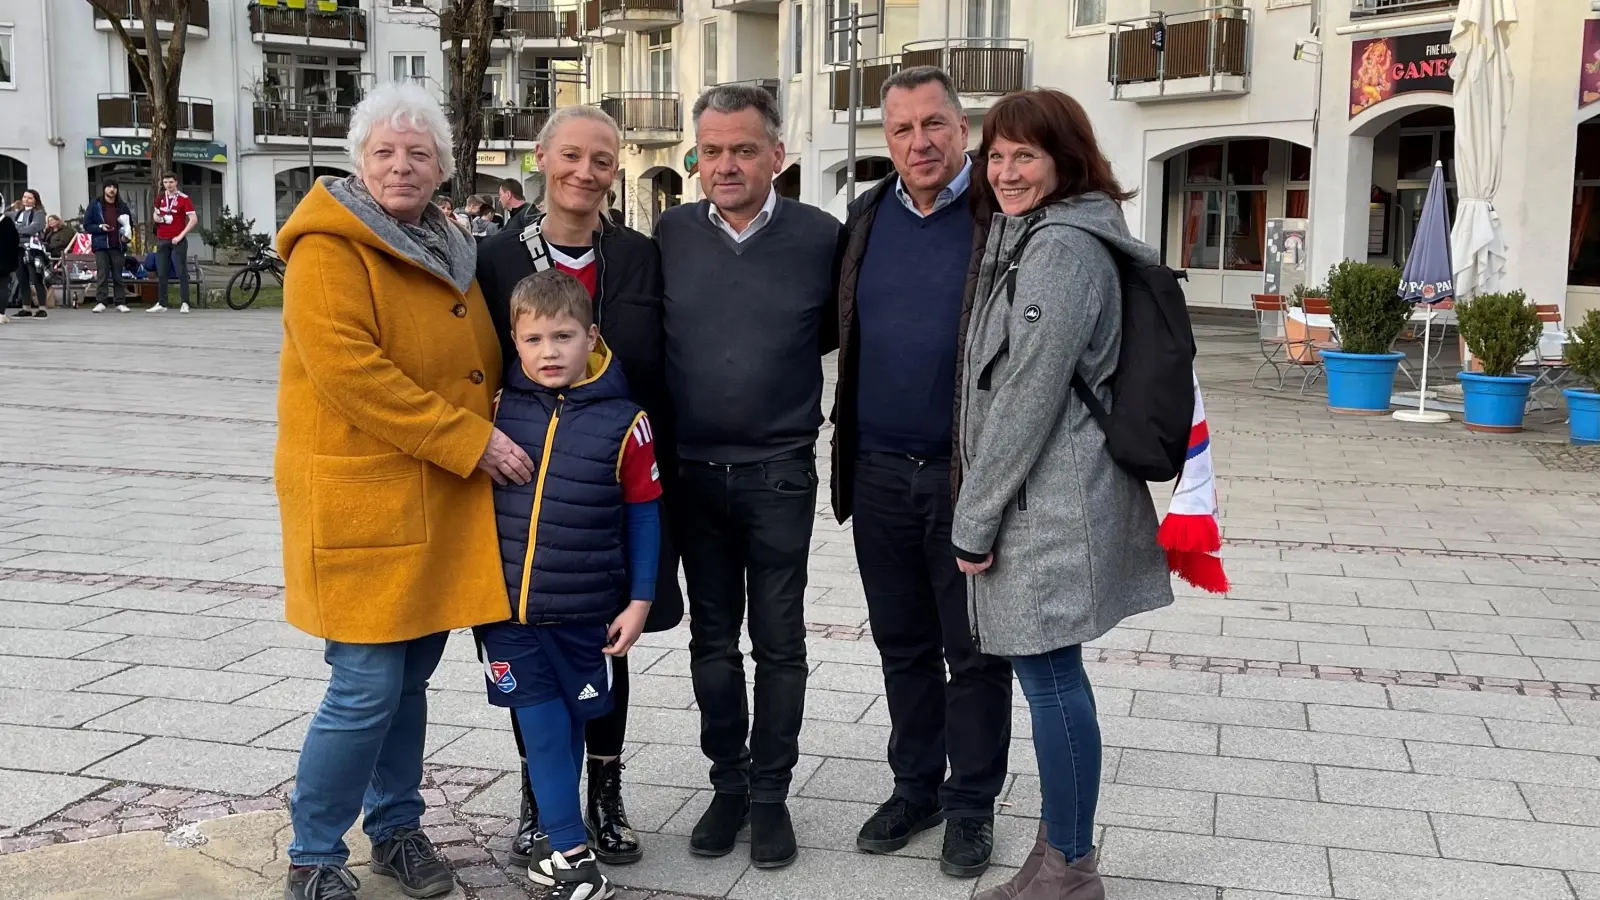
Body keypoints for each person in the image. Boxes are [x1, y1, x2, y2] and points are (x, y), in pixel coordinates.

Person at [274, 81, 531, 900]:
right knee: (365, 685)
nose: (401, 166)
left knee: (409, 680)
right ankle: (313, 852)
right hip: (366, 502)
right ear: (359, 161)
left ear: (443, 169)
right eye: (384, 151)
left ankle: (396, 828)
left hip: (434, 500)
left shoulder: (446, 241)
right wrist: (472, 438)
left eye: (419, 153)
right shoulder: (329, 249)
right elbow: (353, 375)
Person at [956, 89, 1180, 900]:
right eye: (997, 155)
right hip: (1049, 494)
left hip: (1046, 504)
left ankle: (1073, 867)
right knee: (1052, 675)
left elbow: (1027, 393)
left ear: (1064, 158)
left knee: (1051, 680)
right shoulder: (1049, 232)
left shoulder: (1060, 248)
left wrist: (974, 519)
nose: (1007, 171)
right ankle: (1055, 855)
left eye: (1026, 155)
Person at [477, 103, 681, 871]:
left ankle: (606, 792)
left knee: (606, 650)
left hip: (612, 472)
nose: (584, 172)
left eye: (602, 159)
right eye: (571, 155)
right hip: (525, 491)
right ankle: (540, 799)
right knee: (527, 654)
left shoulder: (638, 255)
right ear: (541, 157)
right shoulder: (498, 255)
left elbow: (661, 357)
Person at [655, 83, 844, 869]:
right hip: (692, 473)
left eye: (742, 149)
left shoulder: (821, 238)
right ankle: (726, 783)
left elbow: (835, 335)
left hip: (777, 475)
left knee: (780, 643)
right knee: (710, 642)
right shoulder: (667, 235)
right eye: (711, 149)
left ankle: (771, 797)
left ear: (777, 154)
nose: (724, 164)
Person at [831, 65, 1012, 879]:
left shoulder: (1003, 217)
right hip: (876, 471)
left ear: (963, 128)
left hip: (964, 476)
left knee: (973, 652)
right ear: (885, 140)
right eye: (901, 130)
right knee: (902, 645)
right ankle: (917, 788)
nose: (919, 142)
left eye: (933, 124)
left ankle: (973, 805)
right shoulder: (867, 217)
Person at [478, 268, 663, 900]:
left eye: (562, 337)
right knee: (542, 728)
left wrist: (641, 600)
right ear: (513, 340)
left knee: (579, 721)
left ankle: (566, 834)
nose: (548, 353)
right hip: (507, 612)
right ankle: (566, 847)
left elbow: (643, 512)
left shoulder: (626, 421)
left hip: (586, 610)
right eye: (532, 340)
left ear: (592, 337)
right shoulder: (498, 409)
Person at [82, 180, 132, 314]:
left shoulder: (122, 206)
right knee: (102, 274)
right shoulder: (95, 205)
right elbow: (87, 225)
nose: (112, 190)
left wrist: (126, 236)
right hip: (101, 245)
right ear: (104, 189)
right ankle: (101, 302)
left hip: (118, 245)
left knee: (118, 275)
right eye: (109, 187)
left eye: (114, 187)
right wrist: (99, 227)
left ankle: (120, 302)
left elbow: (129, 224)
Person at [151, 173, 197, 314]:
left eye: (171, 182)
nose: (168, 185)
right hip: (162, 239)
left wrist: (180, 235)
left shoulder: (184, 199)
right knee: (162, 272)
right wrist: (158, 219)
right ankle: (162, 303)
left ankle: (184, 302)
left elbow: (194, 219)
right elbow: (155, 214)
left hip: (178, 240)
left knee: (181, 271)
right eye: (165, 182)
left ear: (176, 182)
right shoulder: (160, 197)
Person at [11, 190, 47, 319]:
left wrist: (16, 229)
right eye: (25, 197)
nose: (26, 200)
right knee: (22, 279)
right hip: (19, 248)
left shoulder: (39, 214)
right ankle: (26, 307)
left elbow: (33, 228)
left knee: (36, 278)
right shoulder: (18, 213)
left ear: (35, 200)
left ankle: (42, 307)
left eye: (30, 198)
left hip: (33, 249)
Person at [0, 197, 17, 325]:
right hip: (4, 260)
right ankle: (1, 314)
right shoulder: (7, 222)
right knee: (2, 286)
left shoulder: (7, 221)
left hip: (3, 260)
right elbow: (14, 241)